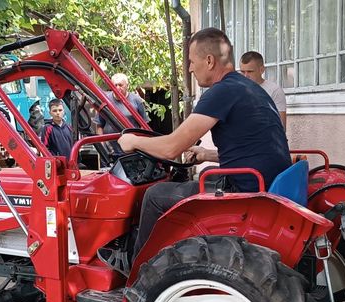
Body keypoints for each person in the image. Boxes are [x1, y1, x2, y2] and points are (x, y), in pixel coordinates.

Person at [118, 27, 290, 258]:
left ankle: (138, 272)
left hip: (246, 193)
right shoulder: (250, 88)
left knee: (155, 195)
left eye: (191, 61)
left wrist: (133, 141)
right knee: (207, 171)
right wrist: (207, 154)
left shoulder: (221, 92)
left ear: (209, 61)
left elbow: (171, 148)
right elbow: (251, 147)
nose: (189, 68)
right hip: (262, 184)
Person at [239, 51, 287, 128]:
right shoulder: (236, 91)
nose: (245, 76)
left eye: (250, 71)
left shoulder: (274, 90)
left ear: (262, 70)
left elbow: (281, 126)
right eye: (242, 72)